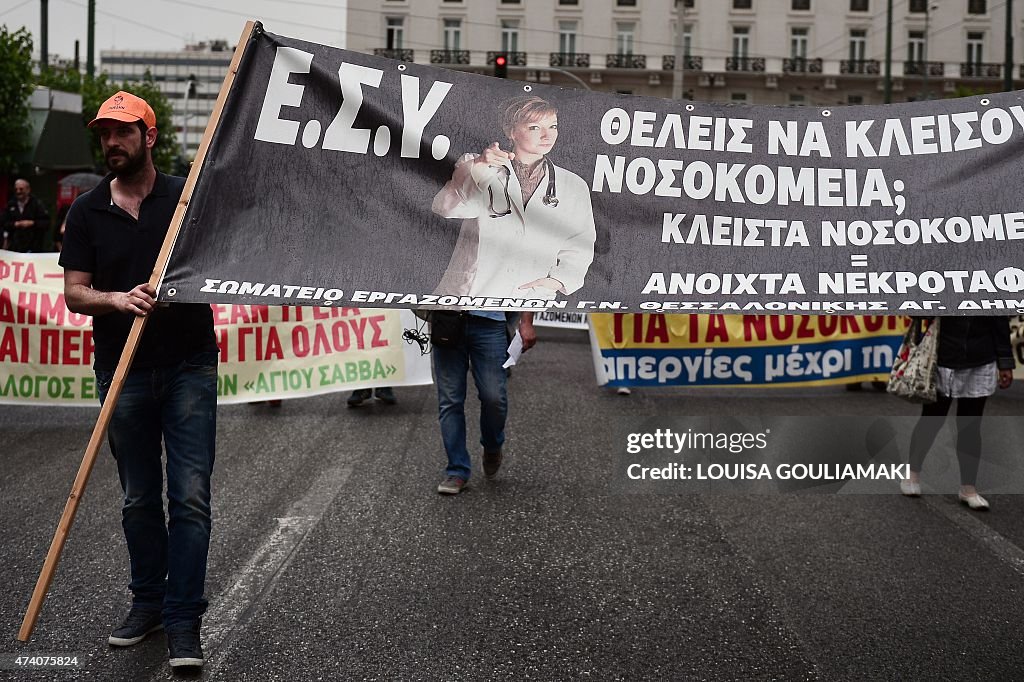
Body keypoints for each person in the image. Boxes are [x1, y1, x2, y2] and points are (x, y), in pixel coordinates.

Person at [59, 91, 218, 670]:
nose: (111, 144)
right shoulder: (86, 210)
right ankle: (147, 602)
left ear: (149, 137)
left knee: (191, 497)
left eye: (122, 132)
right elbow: (75, 291)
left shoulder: (184, 198)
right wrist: (116, 299)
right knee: (138, 497)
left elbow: (220, 261)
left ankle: (183, 622)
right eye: (104, 134)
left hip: (189, 366)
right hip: (121, 372)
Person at [431, 95, 596, 301]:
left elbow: (580, 244)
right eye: (534, 127)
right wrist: (481, 167)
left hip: (529, 298)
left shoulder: (573, 185)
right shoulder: (475, 164)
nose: (547, 135)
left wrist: (556, 281)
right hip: (473, 294)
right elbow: (447, 208)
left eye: (553, 126)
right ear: (512, 132)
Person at [899, 316, 1015, 510]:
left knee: (970, 426)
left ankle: (968, 489)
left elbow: (1000, 319)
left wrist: (1005, 362)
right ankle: (912, 474)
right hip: (943, 356)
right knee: (932, 420)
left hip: (981, 359)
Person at [434, 312, 536, 494]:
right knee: (450, 400)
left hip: (489, 322)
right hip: (447, 317)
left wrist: (526, 322)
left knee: (494, 397)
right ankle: (457, 470)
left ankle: (492, 445)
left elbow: (523, 282)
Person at [3, 178, 50, 252]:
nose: (18, 191)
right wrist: (15, 224)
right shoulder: (10, 204)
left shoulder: (37, 204)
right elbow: (3, 223)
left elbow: (46, 223)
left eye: (21, 189)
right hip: (14, 247)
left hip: (34, 247)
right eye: (16, 189)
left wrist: (32, 223)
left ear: (28, 190)